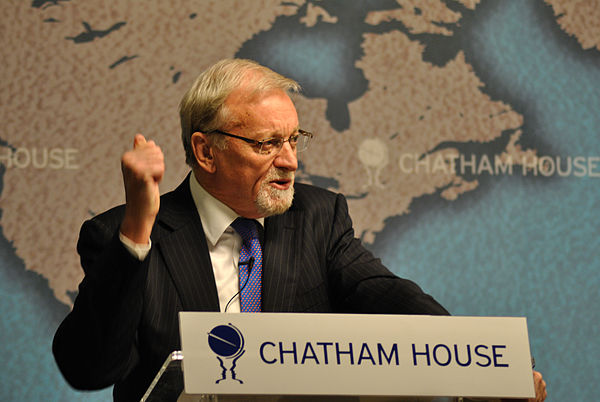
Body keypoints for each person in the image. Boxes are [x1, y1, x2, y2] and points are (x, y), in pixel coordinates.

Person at [53, 59, 545, 402]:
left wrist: (477, 364)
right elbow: (92, 368)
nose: (290, 161)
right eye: (267, 143)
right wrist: (138, 227)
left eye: (294, 139)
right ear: (206, 152)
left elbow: (387, 294)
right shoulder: (119, 235)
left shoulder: (318, 216)